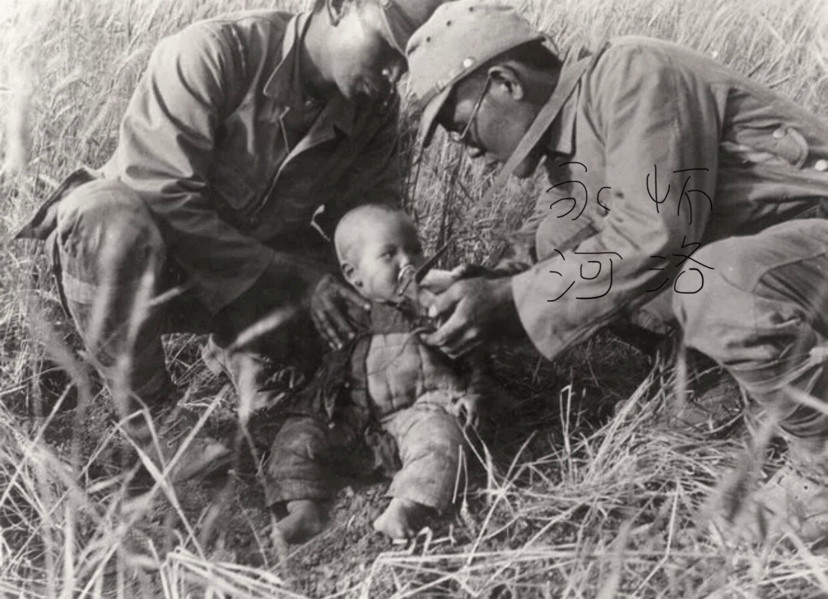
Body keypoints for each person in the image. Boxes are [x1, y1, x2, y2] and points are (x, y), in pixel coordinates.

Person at [405, 0, 828, 540]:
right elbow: (555, 238)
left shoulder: (634, 72)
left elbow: (656, 234)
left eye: (460, 126)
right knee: (562, 250)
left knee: (715, 282)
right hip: (791, 264)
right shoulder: (573, 133)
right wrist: (487, 283)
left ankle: (821, 467)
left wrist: (510, 300)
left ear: (506, 82)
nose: (465, 149)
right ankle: (712, 377)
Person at [15, 0, 446, 484]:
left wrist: (407, 292)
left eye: (407, 59)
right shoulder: (214, 52)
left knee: (349, 301)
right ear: (339, 6)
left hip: (247, 272)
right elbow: (161, 193)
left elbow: (366, 224)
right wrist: (291, 276)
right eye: (388, 46)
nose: (395, 74)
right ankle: (156, 425)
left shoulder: (373, 109)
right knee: (106, 221)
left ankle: (254, 363)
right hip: (146, 267)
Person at [265, 204, 487, 542]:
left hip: (418, 413)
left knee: (443, 440)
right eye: (389, 254)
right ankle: (303, 507)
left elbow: (473, 357)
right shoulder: (342, 313)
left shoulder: (436, 305)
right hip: (351, 423)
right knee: (294, 440)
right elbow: (320, 364)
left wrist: (473, 393)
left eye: (415, 249)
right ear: (354, 275)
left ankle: (407, 506)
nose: (408, 262)